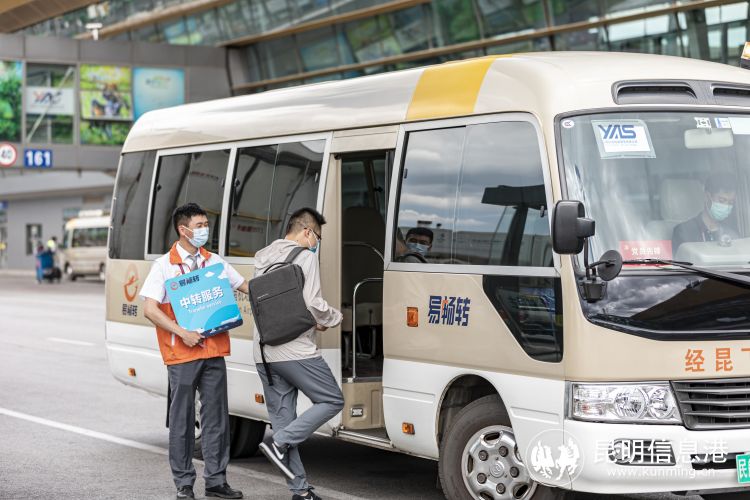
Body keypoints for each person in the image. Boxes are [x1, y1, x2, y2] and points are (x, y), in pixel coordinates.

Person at [140, 203, 247, 500]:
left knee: (217, 421)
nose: (205, 230)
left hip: (213, 352)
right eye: (200, 225)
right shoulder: (164, 266)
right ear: (183, 229)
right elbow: (149, 309)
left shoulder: (214, 262)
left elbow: (245, 286)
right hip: (182, 354)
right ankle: (184, 484)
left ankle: (216, 481)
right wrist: (182, 332)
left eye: (206, 225)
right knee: (183, 422)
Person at [253, 207, 344, 500]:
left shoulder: (262, 257)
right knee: (332, 399)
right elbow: (313, 304)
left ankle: (300, 491)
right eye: (317, 237)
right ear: (307, 232)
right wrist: (335, 317)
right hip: (295, 350)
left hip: (264, 352)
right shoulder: (305, 257)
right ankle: (279, 442)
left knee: (284, 419)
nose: (317, 243)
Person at [672, 174, 738, 253]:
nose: (726, 206)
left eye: (730, 202)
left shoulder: (732, 234)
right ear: (707, 197)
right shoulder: (684, 231)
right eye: (722, 201)